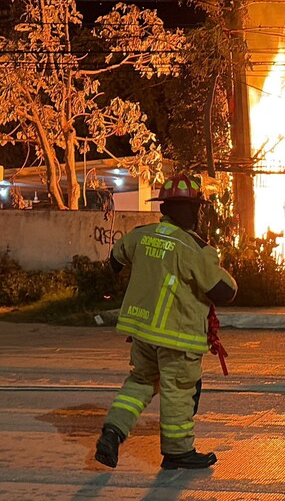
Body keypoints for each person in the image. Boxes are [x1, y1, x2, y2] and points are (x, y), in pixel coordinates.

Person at [94, 173, 238, 470]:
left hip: (142, 332)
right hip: (178, 336)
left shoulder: (140, 235)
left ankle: (113, 432)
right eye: (197, 208)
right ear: (193, 210)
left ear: (164, 208)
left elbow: (115, 260)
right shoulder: (195, 249)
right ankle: (177, 451)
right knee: (178, 390)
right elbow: (224, 291)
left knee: (140, 382)